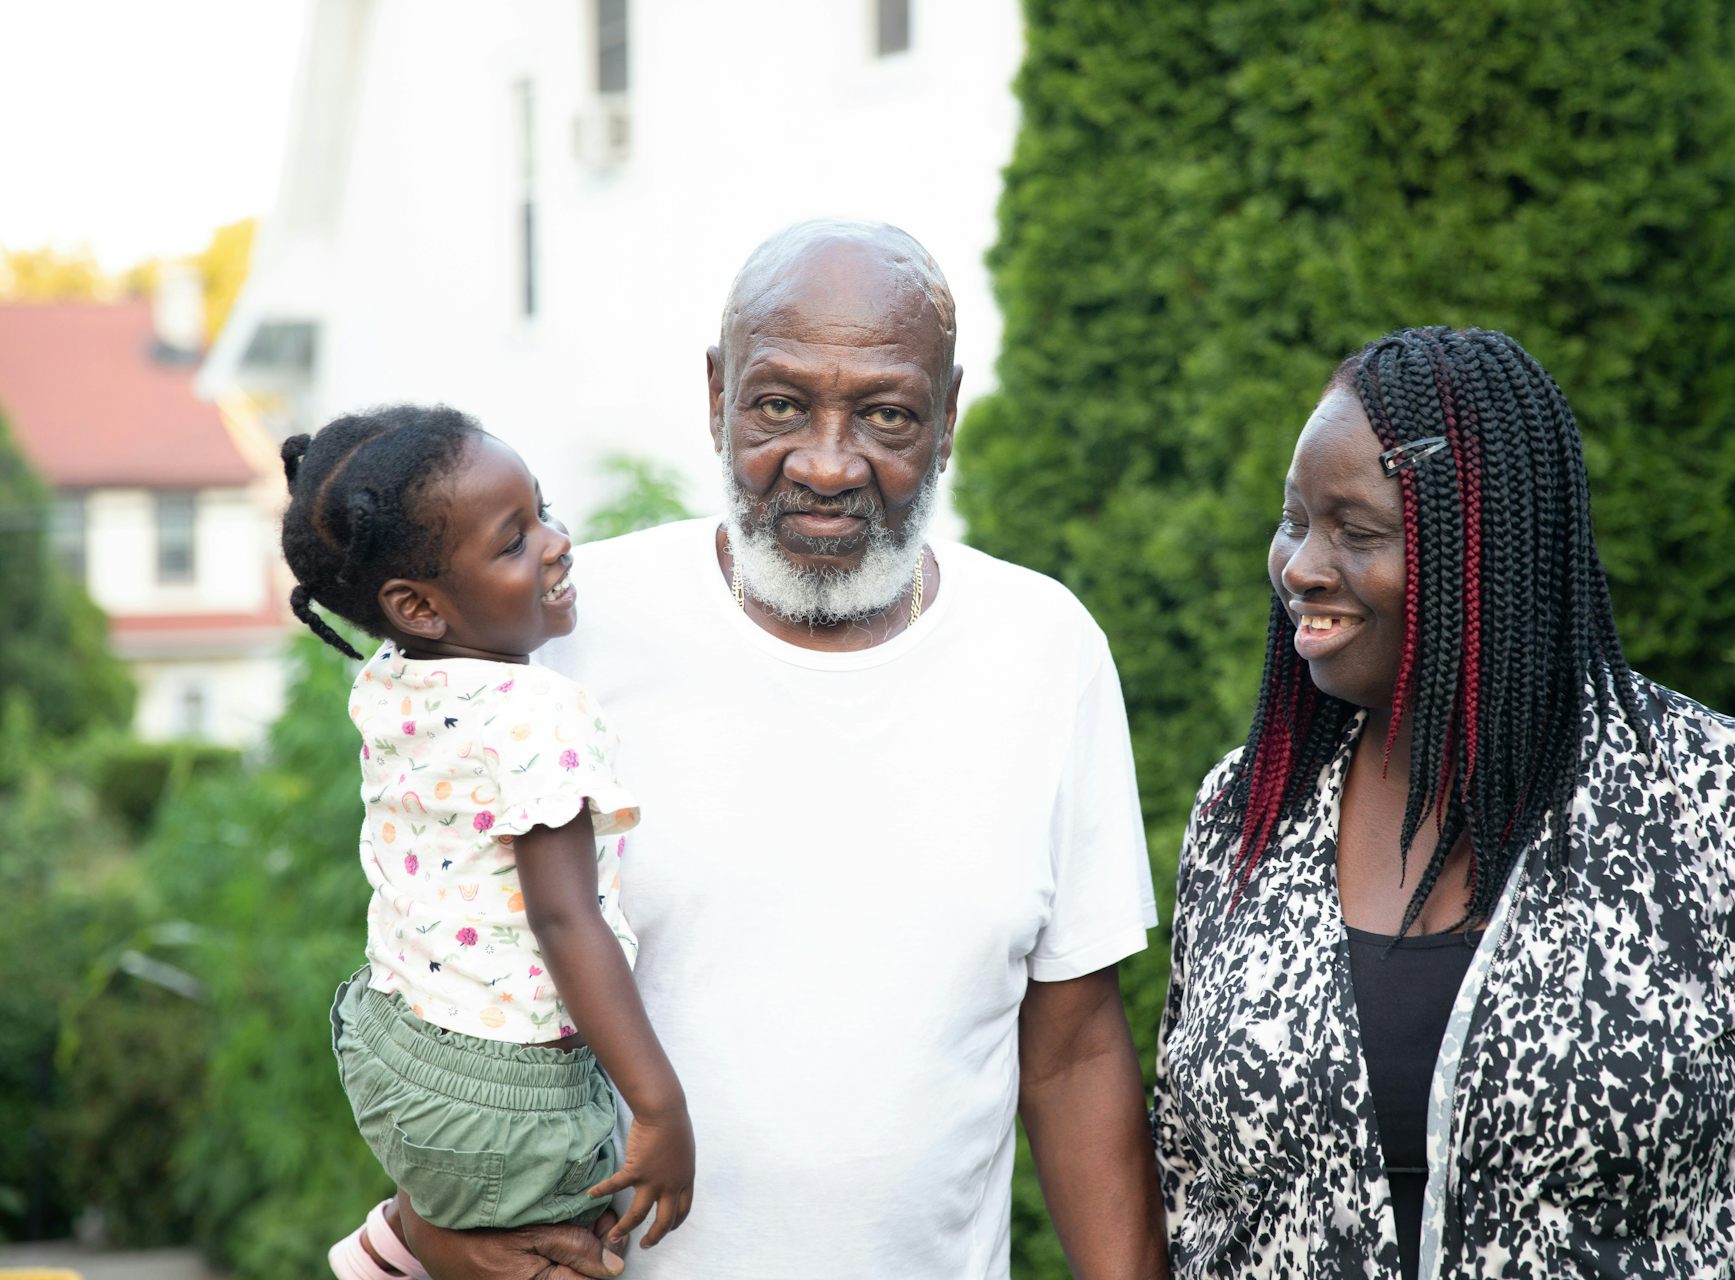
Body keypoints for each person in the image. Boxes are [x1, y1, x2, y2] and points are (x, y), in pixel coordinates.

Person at [395, 220, 1168, 1279]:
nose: (825, 461)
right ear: (716, 395)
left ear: (947, 421)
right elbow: (434, 966)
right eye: (779, 405)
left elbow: (1076, 1049)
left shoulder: (1045, 648)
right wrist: (429, 1227)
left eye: (887, 414)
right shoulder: (560, 638)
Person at [1153, 327, 1735, 1278]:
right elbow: (1193, 1195)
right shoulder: (1246, 809)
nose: (1301, 566)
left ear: (1486, 546)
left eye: (1355, 530)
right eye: (1295, 520)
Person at [278, 406, 695, 1280]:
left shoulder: (392, 679)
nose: (556, 543)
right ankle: (399, 1251)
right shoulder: (538, 713)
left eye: (542, 511)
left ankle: (397, 1242)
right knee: (573, 1257)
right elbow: (565, 916)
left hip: (387, 1042)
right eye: (514, 542)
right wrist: (657, 1107)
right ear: (419, 606)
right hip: (502, 1101)